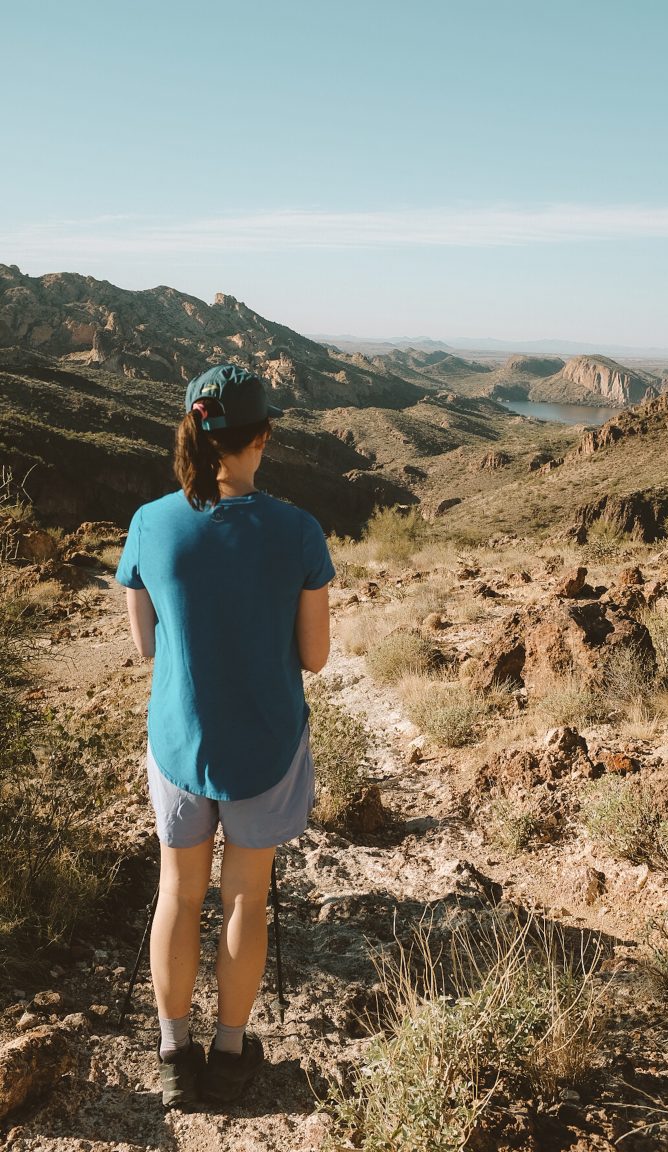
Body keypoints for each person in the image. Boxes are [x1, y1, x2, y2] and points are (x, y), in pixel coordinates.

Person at [116, 364, 334, 1108]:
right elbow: (314, 656)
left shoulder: (149, 523)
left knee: (177, 894)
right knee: (246, 897)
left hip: (181, 741)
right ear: (261, 436)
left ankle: (175, 1054)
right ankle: (232, 1050)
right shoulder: (299, 531)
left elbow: (145, 646)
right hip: (266, 747)